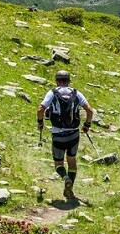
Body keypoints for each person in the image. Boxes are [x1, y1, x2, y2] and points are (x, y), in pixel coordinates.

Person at [37, 70, 93, 199]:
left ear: (57, 81)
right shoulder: (76, 93)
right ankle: (70, 189)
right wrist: (86, 126)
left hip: (58, 134)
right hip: (73, 134)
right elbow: (89, 110)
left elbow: (41, 109)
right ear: (68, 81)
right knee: (72, 160)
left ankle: (65, 177)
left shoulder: (52, 93)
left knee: (58, 164)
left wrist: (40, 122)